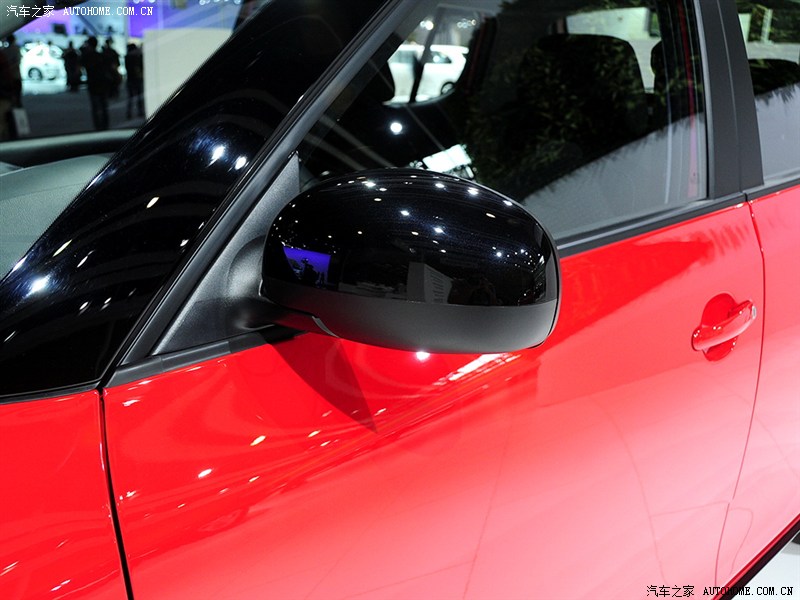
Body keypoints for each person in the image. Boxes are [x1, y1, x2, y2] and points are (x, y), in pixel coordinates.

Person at [81, 36, 110, 130]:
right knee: (104, 105)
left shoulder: (87, 56)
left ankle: (98, 126)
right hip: (102, 83)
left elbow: (81, 65)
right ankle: (105, 125)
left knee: (95, 107)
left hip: (93, 84)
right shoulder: (101, 55)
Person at [124, 43, 144, 119]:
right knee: (139, 96)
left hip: (130, 79)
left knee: (130, 97)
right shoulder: (138, 56)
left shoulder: (127, 57)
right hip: (137, 78)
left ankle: (129, 113)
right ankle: (140, 111)